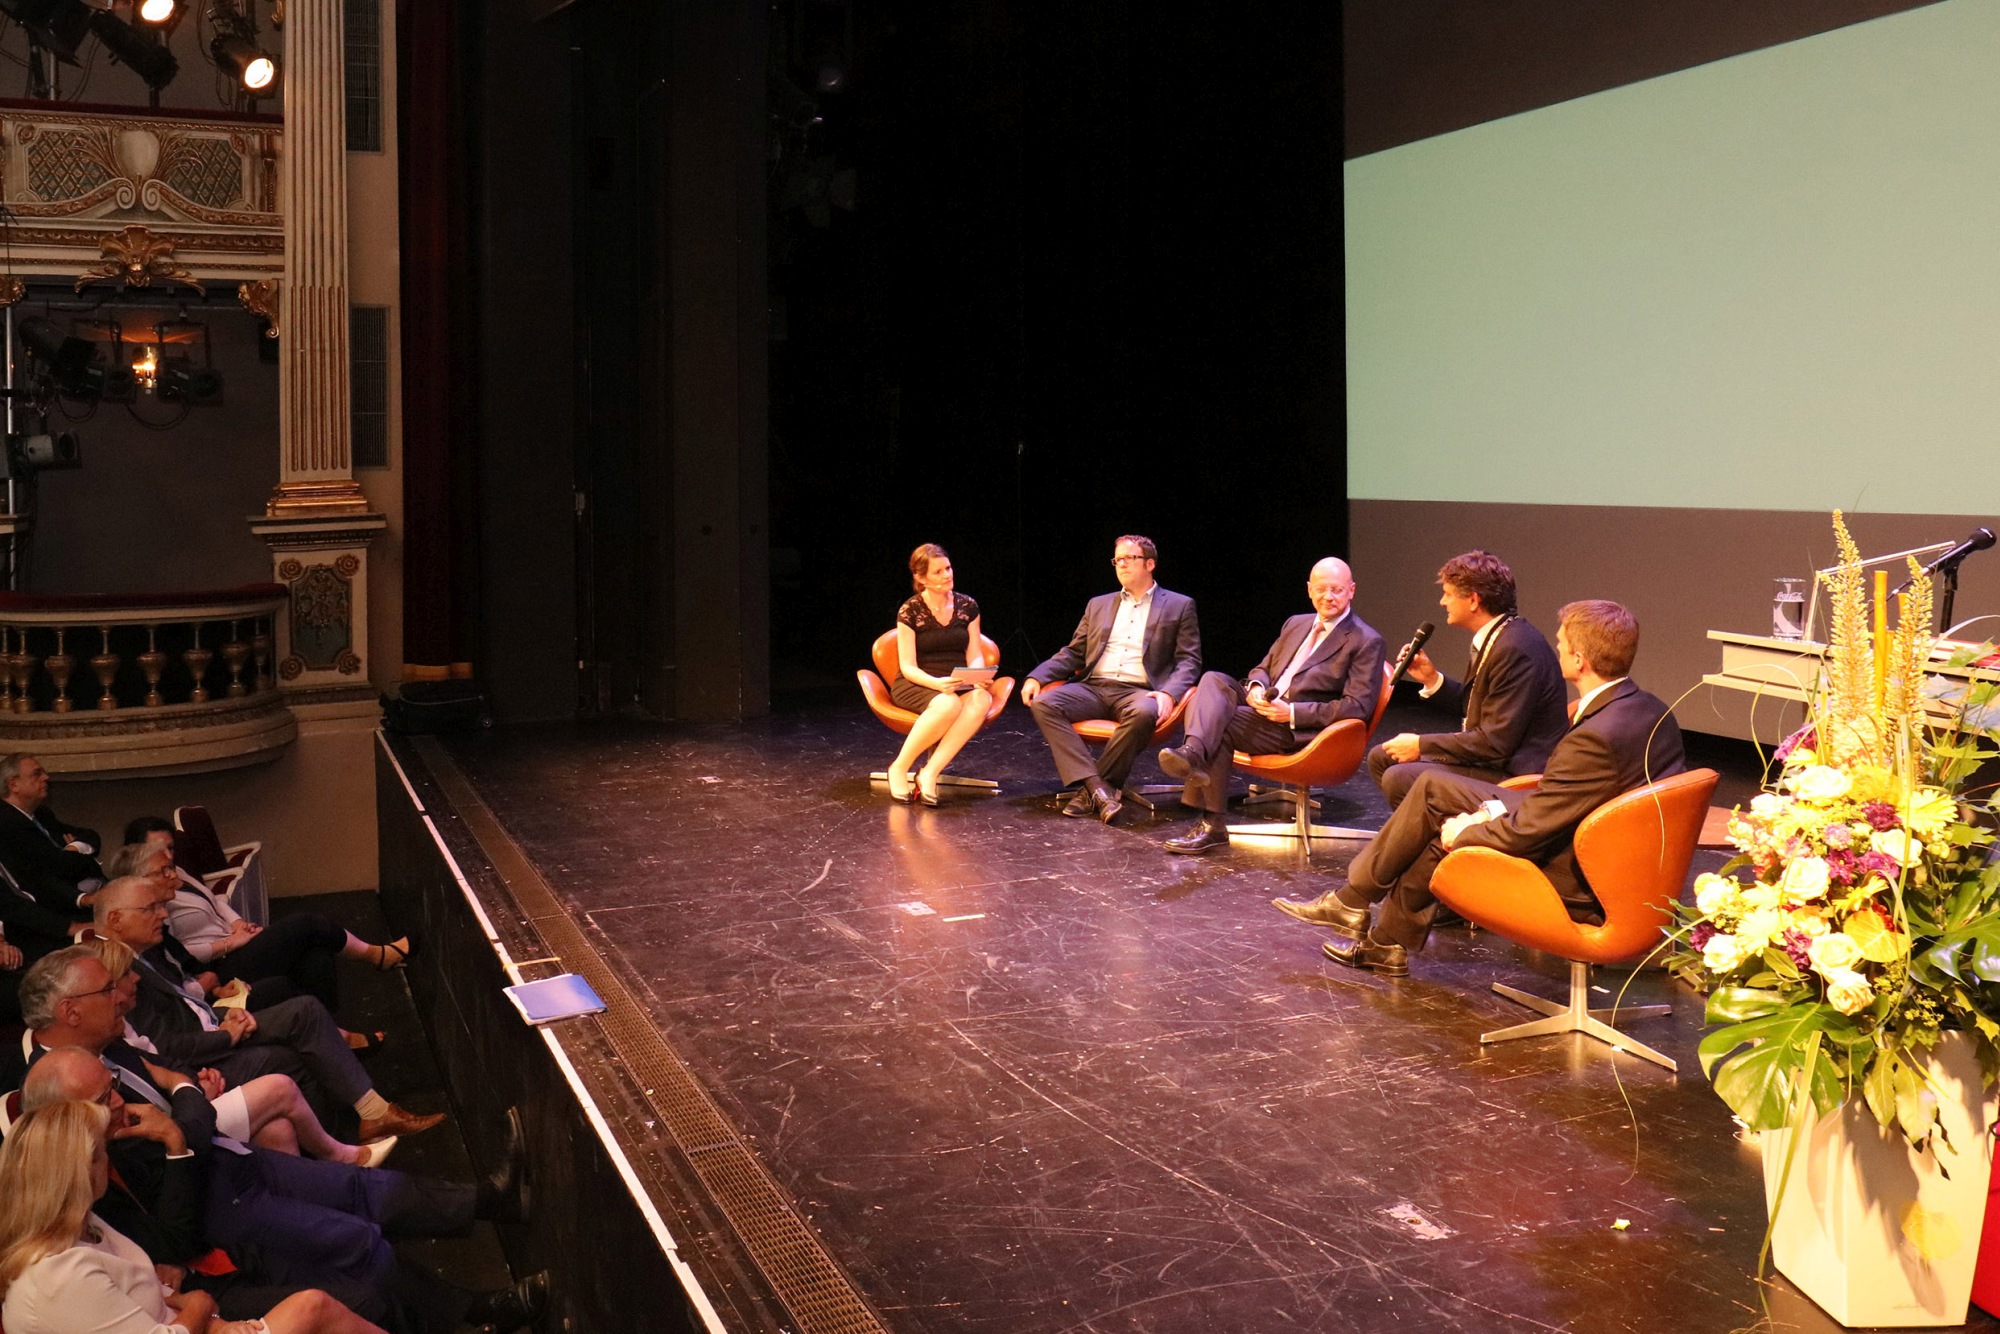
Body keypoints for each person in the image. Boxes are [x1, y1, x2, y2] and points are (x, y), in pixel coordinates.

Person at [1273, 600, 1686, 975]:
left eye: (1561, 645)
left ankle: (1362, 914)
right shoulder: (1652, 709)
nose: (1555, 649)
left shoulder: (1595, 738)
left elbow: (1530, 830)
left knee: (1444, 829)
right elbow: (1565, 801)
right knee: (1433, 790)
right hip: (1603, 844)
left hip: (1583, 873)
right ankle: (1368, 921)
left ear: (1579, 659)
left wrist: (1469, 830)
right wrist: (1487, 812)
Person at [0, 1098, 392, 1334]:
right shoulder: (57, 1277)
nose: (109, 1160)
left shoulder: (77, 1225)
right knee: (313, 1307)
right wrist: (203, 1307)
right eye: (102, 1153)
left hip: (194, 1322)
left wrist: (215, 1320)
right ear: (78, 1173)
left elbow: (152, 1292)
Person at [93, 877, 442, 1142]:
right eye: (149, 909)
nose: (162, 914)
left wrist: (220, 1014)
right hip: (201, 1059)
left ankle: (368, 1114)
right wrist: (225, 1036)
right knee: (292, 1037)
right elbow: (164, 1046)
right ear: (116, 919)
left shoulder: (143, 951)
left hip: (213, 1024)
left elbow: (184, 1001)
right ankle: (347, 1139)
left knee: (304, 999)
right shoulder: (114, 972)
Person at [1157, 558, 1385, 855]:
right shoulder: (1296, 623)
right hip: (1264, 706)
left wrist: (1290, 713)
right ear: (1309, 590)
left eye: (1336, 590)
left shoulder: (1366, 640)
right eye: (1321, 589)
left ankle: (1212, 823)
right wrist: (1256, 687)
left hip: (1296, 728)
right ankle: (1192, 753)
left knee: (1221, 723)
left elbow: (1357, 707)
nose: (1328, 597)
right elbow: (1264, 667)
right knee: (1213, 681)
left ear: (1351, 591)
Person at [111, 827, 409, 1007]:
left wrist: (238, 924)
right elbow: (180, 959)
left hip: (232, 944)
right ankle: (375, 955)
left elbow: (214, 900)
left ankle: (333, 1035)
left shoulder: (176, 881)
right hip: (220, 962)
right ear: (138, 880)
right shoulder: (152, 915)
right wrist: (230, 943)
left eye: (170, 862)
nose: (171, 872)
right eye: (162, 870)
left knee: (316, 957)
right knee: (305, 925)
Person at [1365, 551, 1567, 809]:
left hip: (1512, 772)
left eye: (1448, 594)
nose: (1442, 602)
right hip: (1492, 757)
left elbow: (1494, 743)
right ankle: (1433, 836)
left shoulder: (1516, 649)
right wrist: (1431, 678)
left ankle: (1434, 844)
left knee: (1398, 776)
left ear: (1473, 600)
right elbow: (1478, 706)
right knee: (1382, 757)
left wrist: (1420, 744)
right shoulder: (1499, 635)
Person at [1022, 535, 1202, 823]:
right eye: (1117, 559)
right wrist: (1037, 676)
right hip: (1095, 687)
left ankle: (1093, 789)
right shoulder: (1098, 605)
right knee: (1044, 703)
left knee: (1145, 712)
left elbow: (1189, 661)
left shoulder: (1179, 606)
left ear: (1149, 564)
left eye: (1128, 558)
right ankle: (1099, 788)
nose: (1121, 565)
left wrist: (1168, 693)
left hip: (1140, 691)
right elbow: (1074, 653)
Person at [881, 544, 997, 806]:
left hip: (955, 680)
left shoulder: (968, 606)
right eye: (938, 572)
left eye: (948, 568)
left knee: (981, 699)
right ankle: (899, 767)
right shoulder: (910, 611)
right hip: (918, 681)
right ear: (921, 578)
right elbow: (908, 666)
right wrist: (936, 684)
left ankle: (930, 772)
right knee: (948, 703)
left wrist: (976, 675)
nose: (947, 575)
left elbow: (975, 652)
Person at [0, 754, 103, 921]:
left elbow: (92, 836)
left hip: (84, 894)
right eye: (37, 774)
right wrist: (84, 857)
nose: (46, 777)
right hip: (58, 911)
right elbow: (59, 867)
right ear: (14, 784)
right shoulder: (7, 823)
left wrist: (74, 848)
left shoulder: (42, 813)